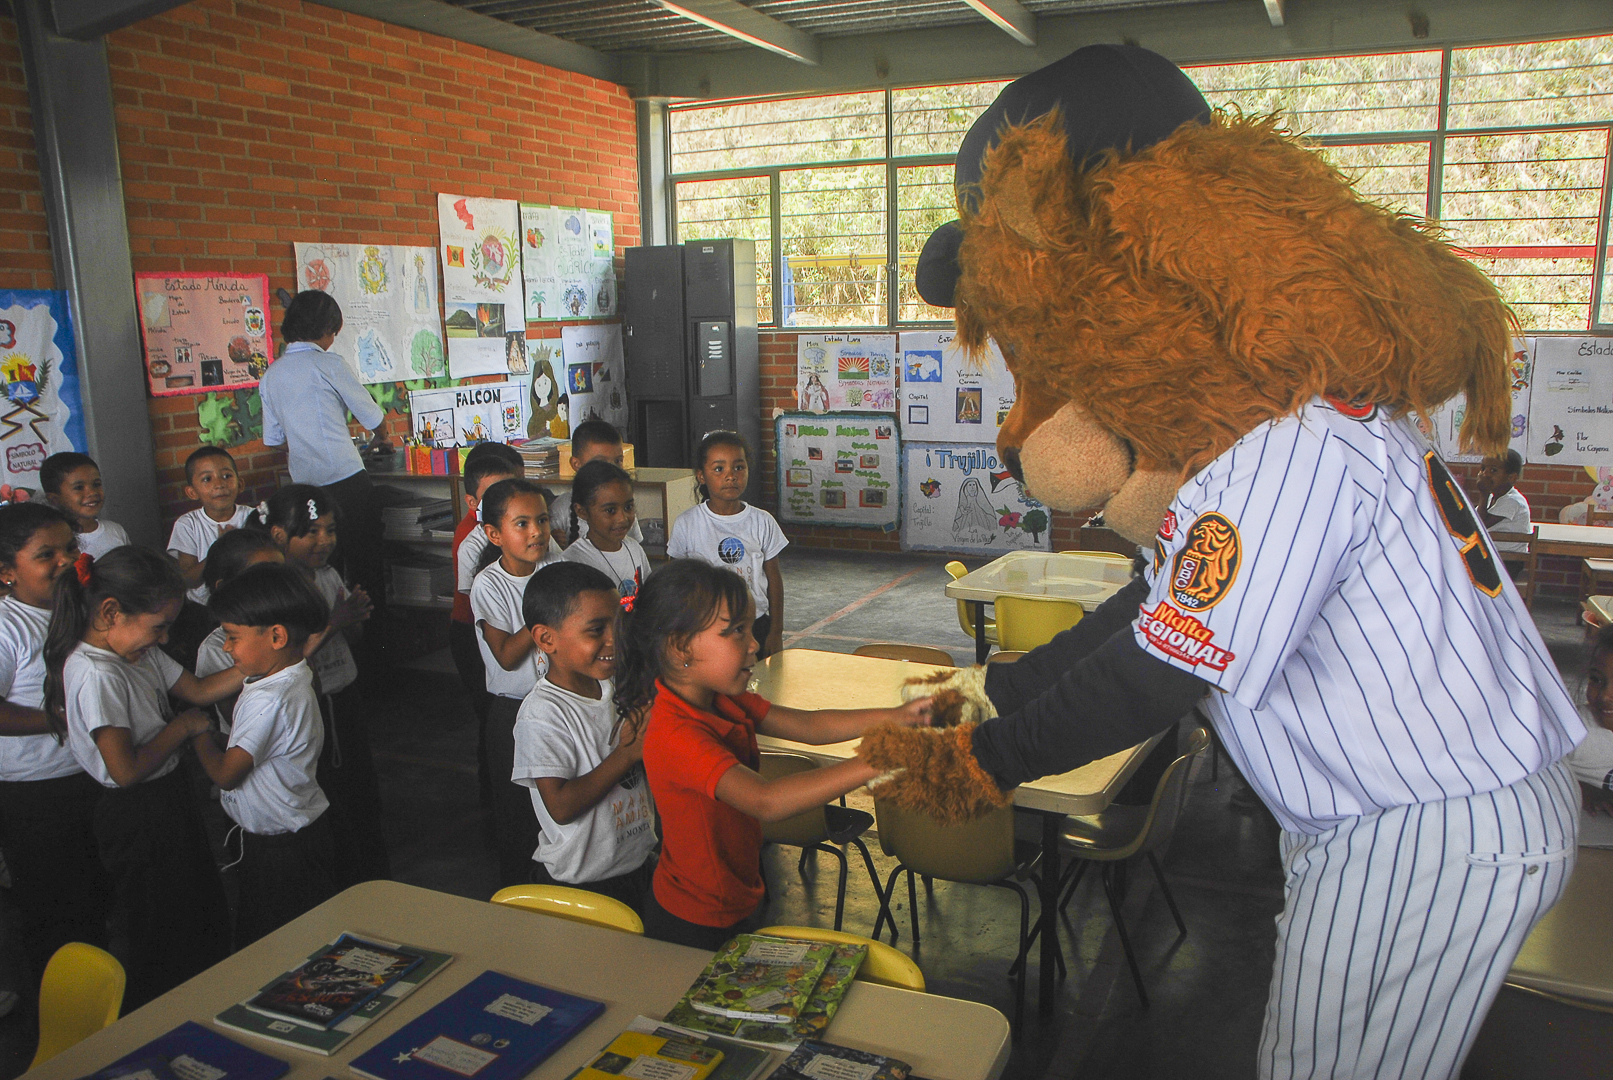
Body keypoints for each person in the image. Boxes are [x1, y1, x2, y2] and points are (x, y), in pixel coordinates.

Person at [619, 560, 932, 949]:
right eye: (735, 632)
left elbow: (810, 727)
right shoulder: (675, 732)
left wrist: (898, 716)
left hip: (738, 894)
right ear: (681, 647)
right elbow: (765, 801)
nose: (753, 644)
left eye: (750, 629)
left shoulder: (722, 699)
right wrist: (877, 760)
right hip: (693, 920)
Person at [44, 546, 244, 1008]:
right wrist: (183, 727)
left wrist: (262, 661)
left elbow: (198, 689)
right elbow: (125, 769)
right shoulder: (97, 674)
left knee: (198, 910)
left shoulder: (138, 653)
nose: (164, 636)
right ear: (110, 612)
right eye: (158, 626)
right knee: (160, 927)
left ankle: (202, 1007)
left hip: (167, 797)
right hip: (136, 813)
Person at [192, 562, 343, 947]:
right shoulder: (290, 676)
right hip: (296, 836)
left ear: (276, 635)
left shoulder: (269, 698)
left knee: (275, 949)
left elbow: (227, 774)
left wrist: (196, 735)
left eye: (232, 637)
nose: (226, 648)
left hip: (280, 851)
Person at [253, 485, 389, 882]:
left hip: (343, 695)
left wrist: (355, 618)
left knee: (359, 789)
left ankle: (370, 874)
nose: (324, 541)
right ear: (279, 535)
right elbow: (288, 659)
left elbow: (353, 640)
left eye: (330, 530)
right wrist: (335, 622)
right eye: (311, 532)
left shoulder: (328, 575)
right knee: (330, 793)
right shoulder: (278, 590)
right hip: (313, 704)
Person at [0, 504, 109, 981]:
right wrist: (61, 719)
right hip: (37, 792)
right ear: (6, 572)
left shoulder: (82, 607)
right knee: (55, 907)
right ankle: (62, 1005)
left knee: (96, 891)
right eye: (47, 555)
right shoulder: (8, 627)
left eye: (71, 548)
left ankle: (102, 987)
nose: (66, 561)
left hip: (91, 775)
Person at [257, 290, 389, 668]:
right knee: (364, 571)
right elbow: (373, 416)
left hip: (303, 491)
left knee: (318, 571)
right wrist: (382, 438)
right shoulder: (328, 364)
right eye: (334, 331)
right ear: (327, 329)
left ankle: (324, 654)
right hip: (347, 483)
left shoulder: (272, 374)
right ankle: (375, 660)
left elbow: (274, 439)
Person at [515, 562, 655, 911]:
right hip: (583, 885)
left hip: (636, 863)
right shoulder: (543, 714)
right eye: (596, 631)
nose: (615, 639)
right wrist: (626, 753)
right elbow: (560, 807)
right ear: (547, 639)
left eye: (617, 625)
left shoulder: (614, 687)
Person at [471, 478, 562, 885]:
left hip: (558, 704)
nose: (537, 532)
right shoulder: (488, 585)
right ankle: (516, 895)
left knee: (555, 807)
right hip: (513, 711)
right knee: (517, 817)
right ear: (494, 534)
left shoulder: (554, 567)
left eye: (541, 520)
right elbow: (507, 656)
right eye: (521, 524)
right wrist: (543, 611)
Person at [668, 431, 788, 657]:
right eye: (719, 469)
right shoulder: (687, 523)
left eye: (739, 467)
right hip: (705, 624)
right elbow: (675, 584)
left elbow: (774, 580)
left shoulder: (762, 521)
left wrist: (776, 632)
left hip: (756, 624)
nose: (730, 476)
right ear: (701, 476)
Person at [451, 443, 525, 791]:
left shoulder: (522, 534)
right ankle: (490, 792)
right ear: (473, 503)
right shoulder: (473, 541)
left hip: (511, 633)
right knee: (491, 718)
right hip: (473, 632)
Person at [195, 529, 292, 728]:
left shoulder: (289, 626)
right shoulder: (215, 648)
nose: (277, 585)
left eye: (280, 574)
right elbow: (238, 720)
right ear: (224, 587)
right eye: (261, 577)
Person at [167, 446, 255, 603]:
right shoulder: (188, 525)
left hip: (250, 599)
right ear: (192, 492)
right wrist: (221, 548)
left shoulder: (253, 517)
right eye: (207, 479)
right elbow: (189, 580)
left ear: (240, 484)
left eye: (227, 476)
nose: (220, 484)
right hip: (204, 607)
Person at [561, 461, 651, 599]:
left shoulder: (634, 548)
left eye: (628, 507)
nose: (622, 518)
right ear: (582, 511)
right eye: (610, 510)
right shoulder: (572, 562)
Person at [550, 420, 642, 547]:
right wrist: (554, 543)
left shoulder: (623, 505)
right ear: (576, 464)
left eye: (618, 461)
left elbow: (635, 547)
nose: (611, 469)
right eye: (600, 462)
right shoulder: (561, 509)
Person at [1571, 623, 1613, 847]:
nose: (1605, 695)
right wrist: (1579, 788)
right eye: (1596, 680)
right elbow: (1535, 774)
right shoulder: (1574, 730)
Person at [41, 452, 128, 560]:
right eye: (79, 487)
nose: (92, 492)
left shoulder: (115, 530)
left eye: (96, 484)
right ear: (54, 499)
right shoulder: (55, 541)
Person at [1475, 449, 1531, 555]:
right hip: (1493, 556)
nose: (1485, 474)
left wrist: (1483, 494)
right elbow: (1472, 520)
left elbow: (1480, 524)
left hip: (1508, 560)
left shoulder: (1513, 500)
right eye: (1482, 469)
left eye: (1493, 471)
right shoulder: (1492, 498)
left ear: (1511, 477)